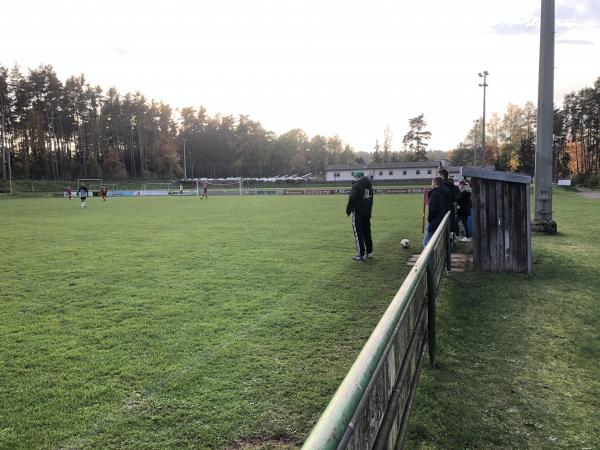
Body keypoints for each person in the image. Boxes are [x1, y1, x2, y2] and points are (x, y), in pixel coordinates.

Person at [346, 171, 374, 261]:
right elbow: (369, 200)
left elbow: (352, 198)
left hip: (358, 213)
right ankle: (369, 253)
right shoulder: (369, 186)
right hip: (367, 212)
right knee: (367, 233)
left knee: (358, 234)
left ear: (357, 177)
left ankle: (360, 255)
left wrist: (348, 210)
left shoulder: (356, 185)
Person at [423, 176, 451, 246]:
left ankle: (430, 257)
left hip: (436, 220)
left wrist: (430, 220)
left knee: (426, 242)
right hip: (443, 219)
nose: (431, 184)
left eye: (432, 182)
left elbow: (432, 209)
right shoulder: (446, 191)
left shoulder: (435, 193)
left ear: (435, 183)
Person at [437, 168, 459, 238]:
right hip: (450, 208)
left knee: (445, 227)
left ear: (443, 176)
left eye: (439, 175)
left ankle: (447, 244)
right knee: (448, 226)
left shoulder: (444, 186)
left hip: (445, 209)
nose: (438, 176)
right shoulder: (452, 185)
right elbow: (456, 197)